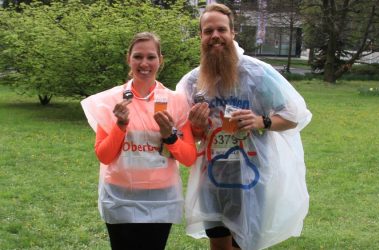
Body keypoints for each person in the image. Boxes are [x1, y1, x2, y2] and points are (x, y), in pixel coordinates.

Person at [176, 3, 312, 250]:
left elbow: (294, 115)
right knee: (218, 245)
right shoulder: (193, 81)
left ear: (232, 33)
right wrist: (195, 127)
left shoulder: (257, 74)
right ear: (201, 36)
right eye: (208, 31)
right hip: (212, 179)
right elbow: (185, 137)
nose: (215, 36)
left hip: (250, 177)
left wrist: (261, 121)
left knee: (244, 245)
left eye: (221, 29)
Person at [81, 32, 197, 250]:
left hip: (160, 198)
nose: (144, 63)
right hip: (120, 196)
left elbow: (189, 157)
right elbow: (104, 155)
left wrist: (169, 135)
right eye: (138, 56)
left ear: (160, 60)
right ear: (129, 59)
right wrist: (120, 126)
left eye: (151, 57)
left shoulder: (177, 102)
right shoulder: (110, 101)